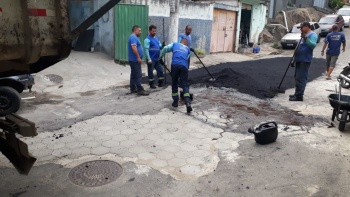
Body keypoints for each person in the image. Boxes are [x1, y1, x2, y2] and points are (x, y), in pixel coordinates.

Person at [159, 38, 192, 113]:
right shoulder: (187, 49)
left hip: (175, 65)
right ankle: (187, 102)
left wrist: (160, 57)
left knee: (175, 83)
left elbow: (165, 48)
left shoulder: (175, 44)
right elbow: (187, 59)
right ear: (186, 44)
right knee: (185, 84)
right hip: (184, 66)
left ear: (181, 42)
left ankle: (175, 102)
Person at [289, 22, 318, 102]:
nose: (301, 29)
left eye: (302, 27)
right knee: (297, 77)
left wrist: (306, 38)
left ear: (307, 27)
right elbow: (298, 47)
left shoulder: (313, 35)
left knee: (301, 78)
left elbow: (313, 45)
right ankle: (297, 93)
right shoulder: (303, 35)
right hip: (299, 59)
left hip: (305, 60)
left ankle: (299, 96)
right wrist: (293, 59)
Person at [128, 25, 149, 96]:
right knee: (138, 74)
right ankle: (140, 89)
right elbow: (134, 48)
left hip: (133, 59)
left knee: (134, 74)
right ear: (135, 30)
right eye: (139, 30)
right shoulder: (133, 37)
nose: (141, 32)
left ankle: (133, 88)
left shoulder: (133, 37)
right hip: (135, 60)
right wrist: (138, 57)